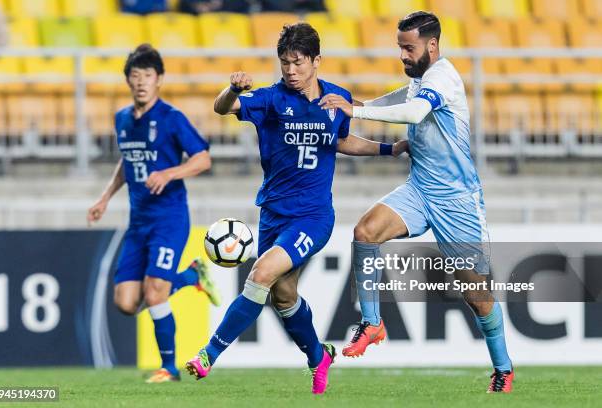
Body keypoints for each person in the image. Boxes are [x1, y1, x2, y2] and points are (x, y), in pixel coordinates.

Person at [185, 22, 408, 395]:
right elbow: (223, 107)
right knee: (283, 295)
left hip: (313, 216)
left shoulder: (337, 98)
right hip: (273, 213)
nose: (290, 71)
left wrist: (389, 149)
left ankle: (208, 355)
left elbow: (341, 141)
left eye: (298, 63)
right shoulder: (272, 99)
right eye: (285, 63)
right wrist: (232, 89)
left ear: (316, 61)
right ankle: (318, 356)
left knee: (260, 274)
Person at [319, 11, 514, 393]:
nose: (404, 56)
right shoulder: (421, 79)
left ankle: (503, 368)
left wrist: (355, 110)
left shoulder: (443, 77)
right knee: (366, 230)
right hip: (420, 189)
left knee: (476, 295)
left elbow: (413, 111)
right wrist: (358, 102)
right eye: (400, 48)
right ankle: (372, 323)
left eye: (409, 48)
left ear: (432, 44)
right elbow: (400, 98)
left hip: (457, 200)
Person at [87, 44, 221, 383]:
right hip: (138, 223)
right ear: (128, 81)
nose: (141, 82)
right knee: (126, 302)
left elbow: (203, 158)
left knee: (156, 290)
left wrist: (169, 173)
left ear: (159, 79)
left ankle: (169, 368)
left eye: (148, 75)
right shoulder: (121, 119)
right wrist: (104, 198)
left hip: (169, 218)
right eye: (135, 76)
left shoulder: (172, 119)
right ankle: (192, 276)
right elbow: (127, 162)